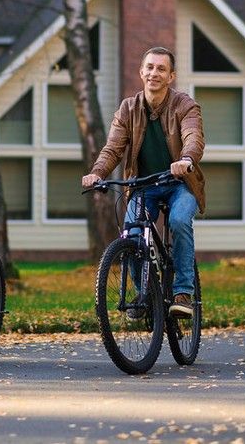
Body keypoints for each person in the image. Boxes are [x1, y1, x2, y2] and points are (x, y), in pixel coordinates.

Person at [81, 46, 205, 318]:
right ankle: (145, 293)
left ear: (171, 76)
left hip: (179, 183)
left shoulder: (185, 105)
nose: (154, 73)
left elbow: (193, 137)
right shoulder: (128, 108)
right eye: (149, 67)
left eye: (161, 69)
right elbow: (113, 148)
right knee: (132, 234)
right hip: (144, 186)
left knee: (179, 221)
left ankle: (183, 293)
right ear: (141, 72)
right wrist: (98, 172)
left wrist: (186, 159)